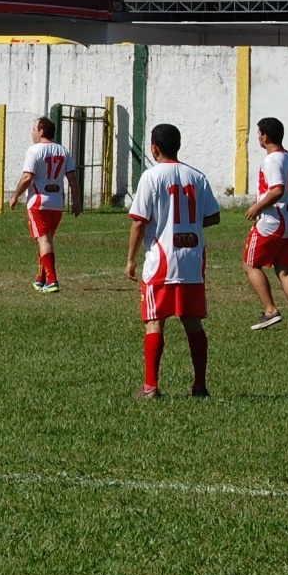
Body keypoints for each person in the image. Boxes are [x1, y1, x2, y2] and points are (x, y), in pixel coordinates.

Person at [125, 123, 222, 399]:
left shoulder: (151, 177)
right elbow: (214, 216)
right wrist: (189, 223)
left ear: (154, 148)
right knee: (192, 322)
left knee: (155, 321)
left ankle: (151, 386)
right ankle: (200, 385)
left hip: (161, 262)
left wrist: (131, 259)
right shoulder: (197, 176)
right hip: (191, 262)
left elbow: (138, 222)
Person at [242, 117, 288, 332]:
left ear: (265, 136)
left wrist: (258, 207)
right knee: (284, 269)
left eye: (258, 134)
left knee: (250, 264)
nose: (258, 138)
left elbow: (277, 190)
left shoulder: (272, 160)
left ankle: (270, 310)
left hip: (274, 219)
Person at [8, 116, 78, 293]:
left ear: (41, 131)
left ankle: (52, 281)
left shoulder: (34, 150)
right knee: (45, 240)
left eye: (33, 129)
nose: (32, 132)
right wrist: (77, 200)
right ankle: (41, 278)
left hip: (39, 202)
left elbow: (27, 177)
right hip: (57, 203)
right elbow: (72, 177)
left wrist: (15, 196)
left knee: (44, 239)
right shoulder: (63, 150)